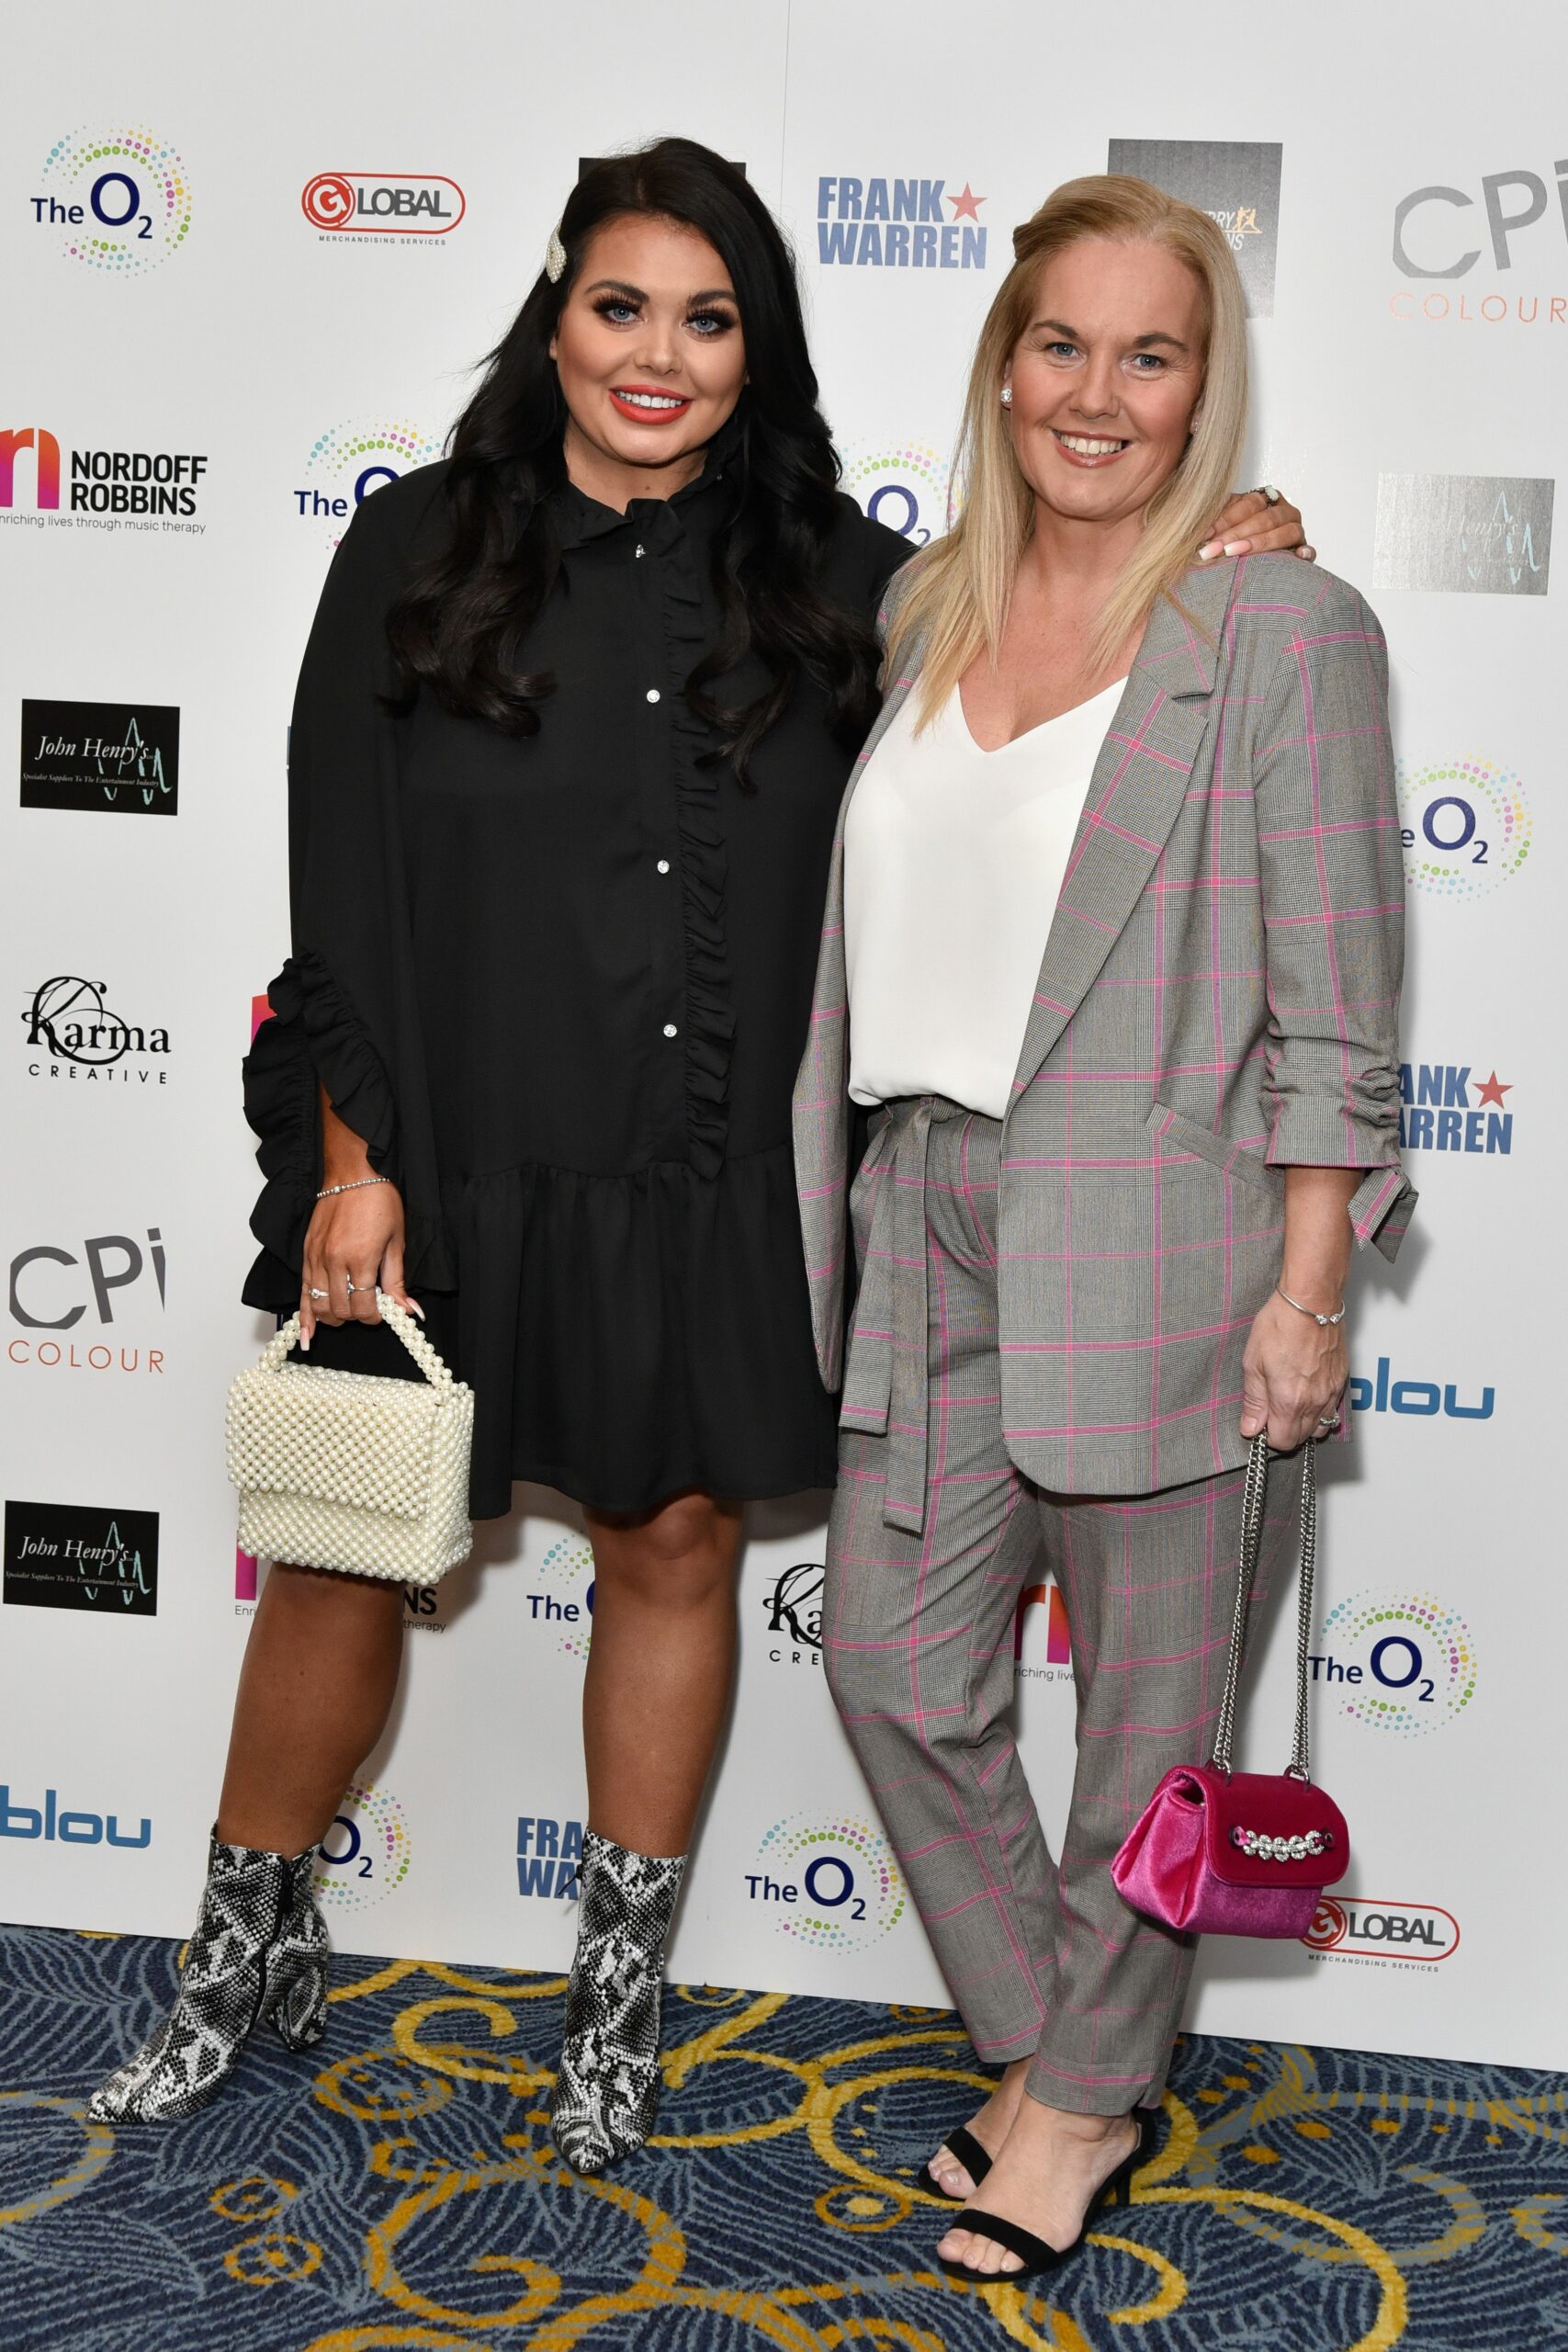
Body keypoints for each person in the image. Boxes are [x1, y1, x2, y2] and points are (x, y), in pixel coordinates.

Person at [87, 141, 1314, 2160]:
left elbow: (1054, 638)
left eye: (708, 317)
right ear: (556, 310)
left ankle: (610, 2013)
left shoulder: (851, 583)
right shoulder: (409, 548)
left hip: (705, 1171)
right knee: (333, 1552)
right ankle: (240, 1958)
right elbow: (344, 884)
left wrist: (1206, 546)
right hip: (444, 1156)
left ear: (759, 348)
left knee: (671, 1547)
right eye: (619, 306)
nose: (655, 356)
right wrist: (350, 1154)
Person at [793, 173, 1414, 2279]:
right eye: (1057, 341)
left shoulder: (1272, 627)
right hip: (921, 1200)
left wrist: (1307, 1284)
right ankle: (1072, 2039)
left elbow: (1335, 992)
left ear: (1201, 387)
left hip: (1170, 1229)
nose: (1095, 391)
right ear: (998, 361)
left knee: (1147, 1735)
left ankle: (1065, 2106)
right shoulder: (928, 607)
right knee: (887, 1660)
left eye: (1148, 354)